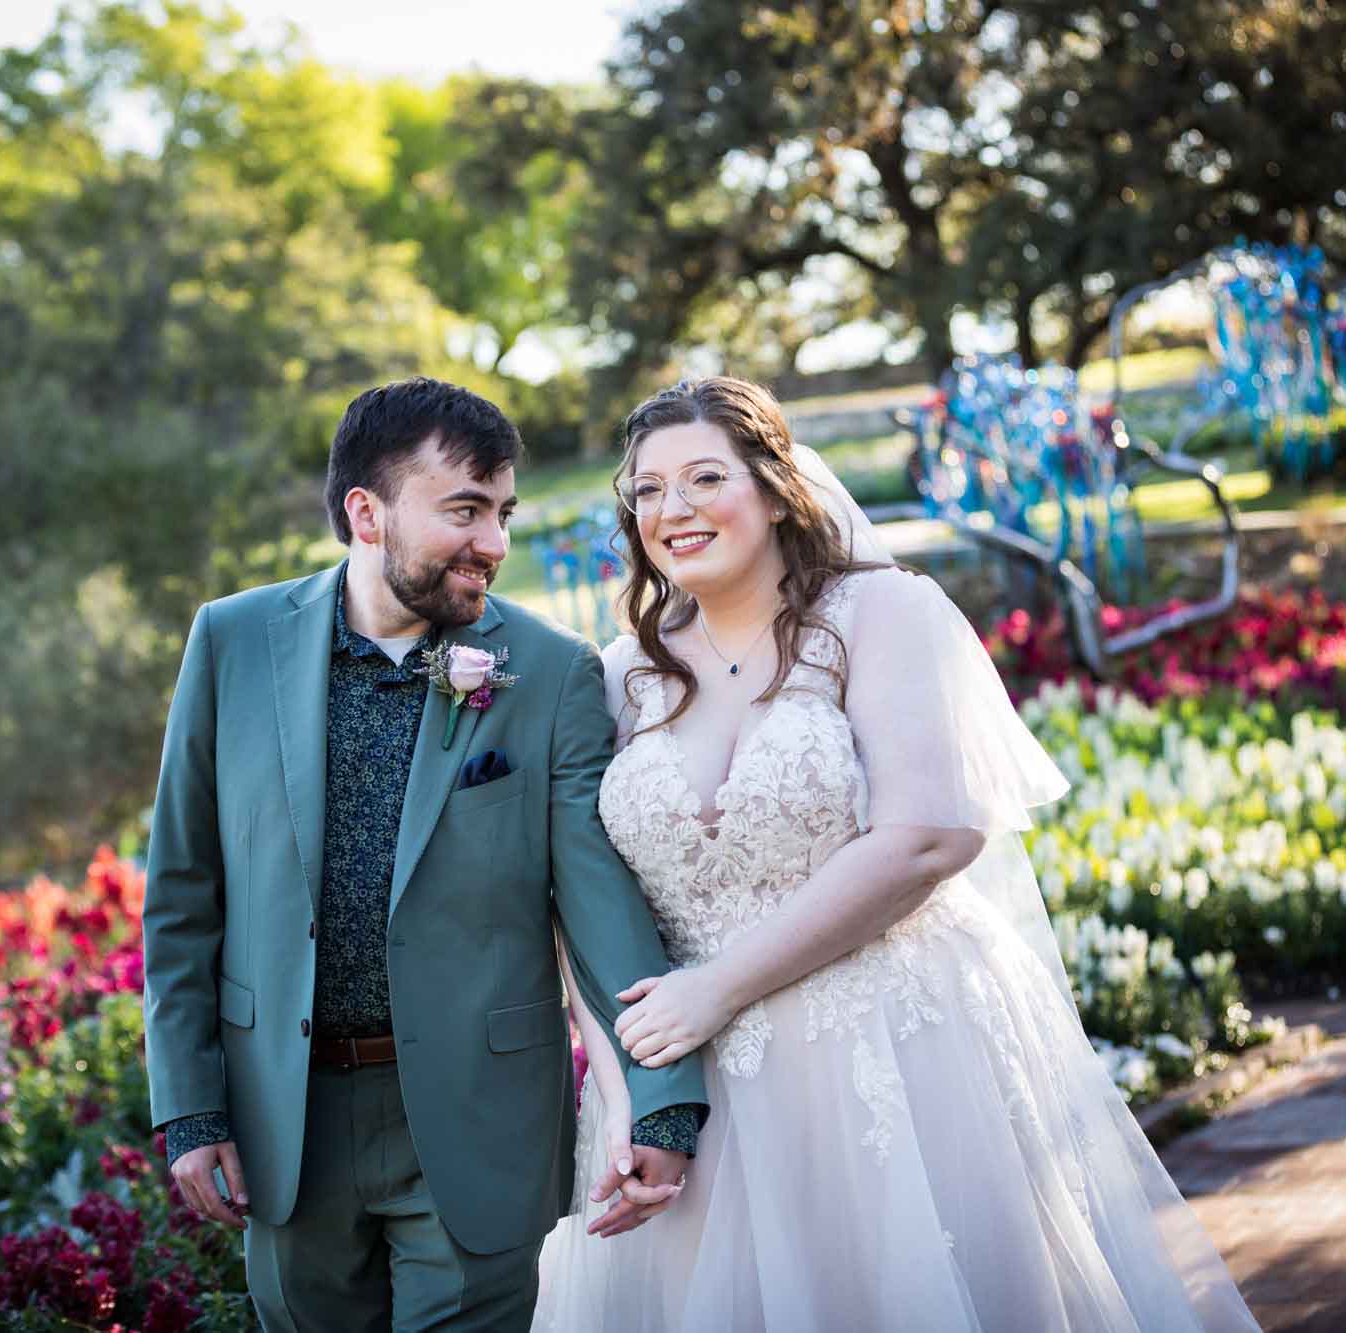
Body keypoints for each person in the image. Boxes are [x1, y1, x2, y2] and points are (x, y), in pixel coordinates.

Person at [534, 376, 1259, 1331]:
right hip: (700, 1086)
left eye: (704, 478)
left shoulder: (880, 615)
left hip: (890, 1050)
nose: (673, 509)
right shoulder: (624, 670)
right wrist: (635, 1096)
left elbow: (928, 837)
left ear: (774, 484)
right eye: (648, 490)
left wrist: (719, 987)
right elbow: (587, 901)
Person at [141, 377, 708, 1331]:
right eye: (465, 510)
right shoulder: (231, 642)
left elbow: (600, 903)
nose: (494, 542)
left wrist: (661, 1104)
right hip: (288, 1120)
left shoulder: (551, 671)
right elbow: (184, 895)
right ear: (366, 512)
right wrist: (190, 1110)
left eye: (503, 512)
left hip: (475, 1121)